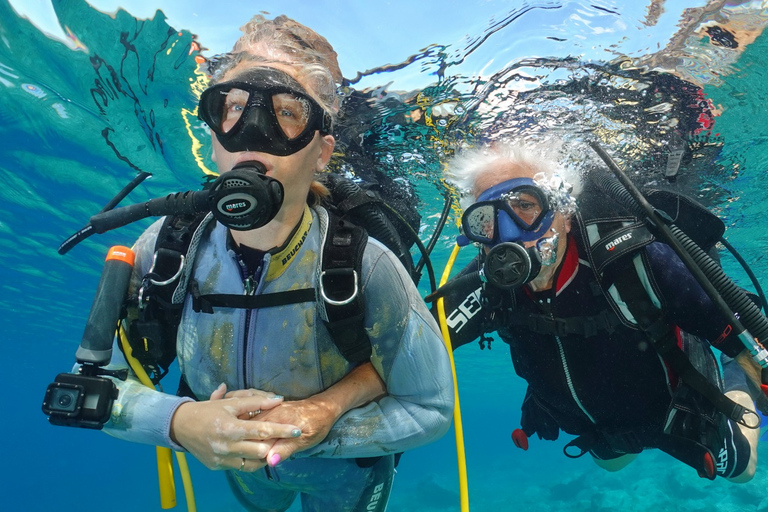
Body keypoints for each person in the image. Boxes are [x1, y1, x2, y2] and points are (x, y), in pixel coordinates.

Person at [98, 14, 454, 512]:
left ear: (324, 149)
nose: (252, 134)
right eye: (234, 107)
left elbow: (431, 408)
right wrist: (181, 424)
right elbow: (90, 386)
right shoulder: (166, 246)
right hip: (249, 479)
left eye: (287, 113)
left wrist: (318, 424)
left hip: (347, 475)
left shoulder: (365, 264)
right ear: (213, 129)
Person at [436, 141, 761, 481]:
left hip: (677, 410)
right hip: (605, 431)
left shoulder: (633, 260)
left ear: (564, 214)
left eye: (525, 205)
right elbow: (412, 350)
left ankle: (730, 377)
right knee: (608, 463)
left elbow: (746, 336)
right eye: (486, 219)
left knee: (741, 471)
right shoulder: (487, 284)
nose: (507, 233)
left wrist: (745, 363)